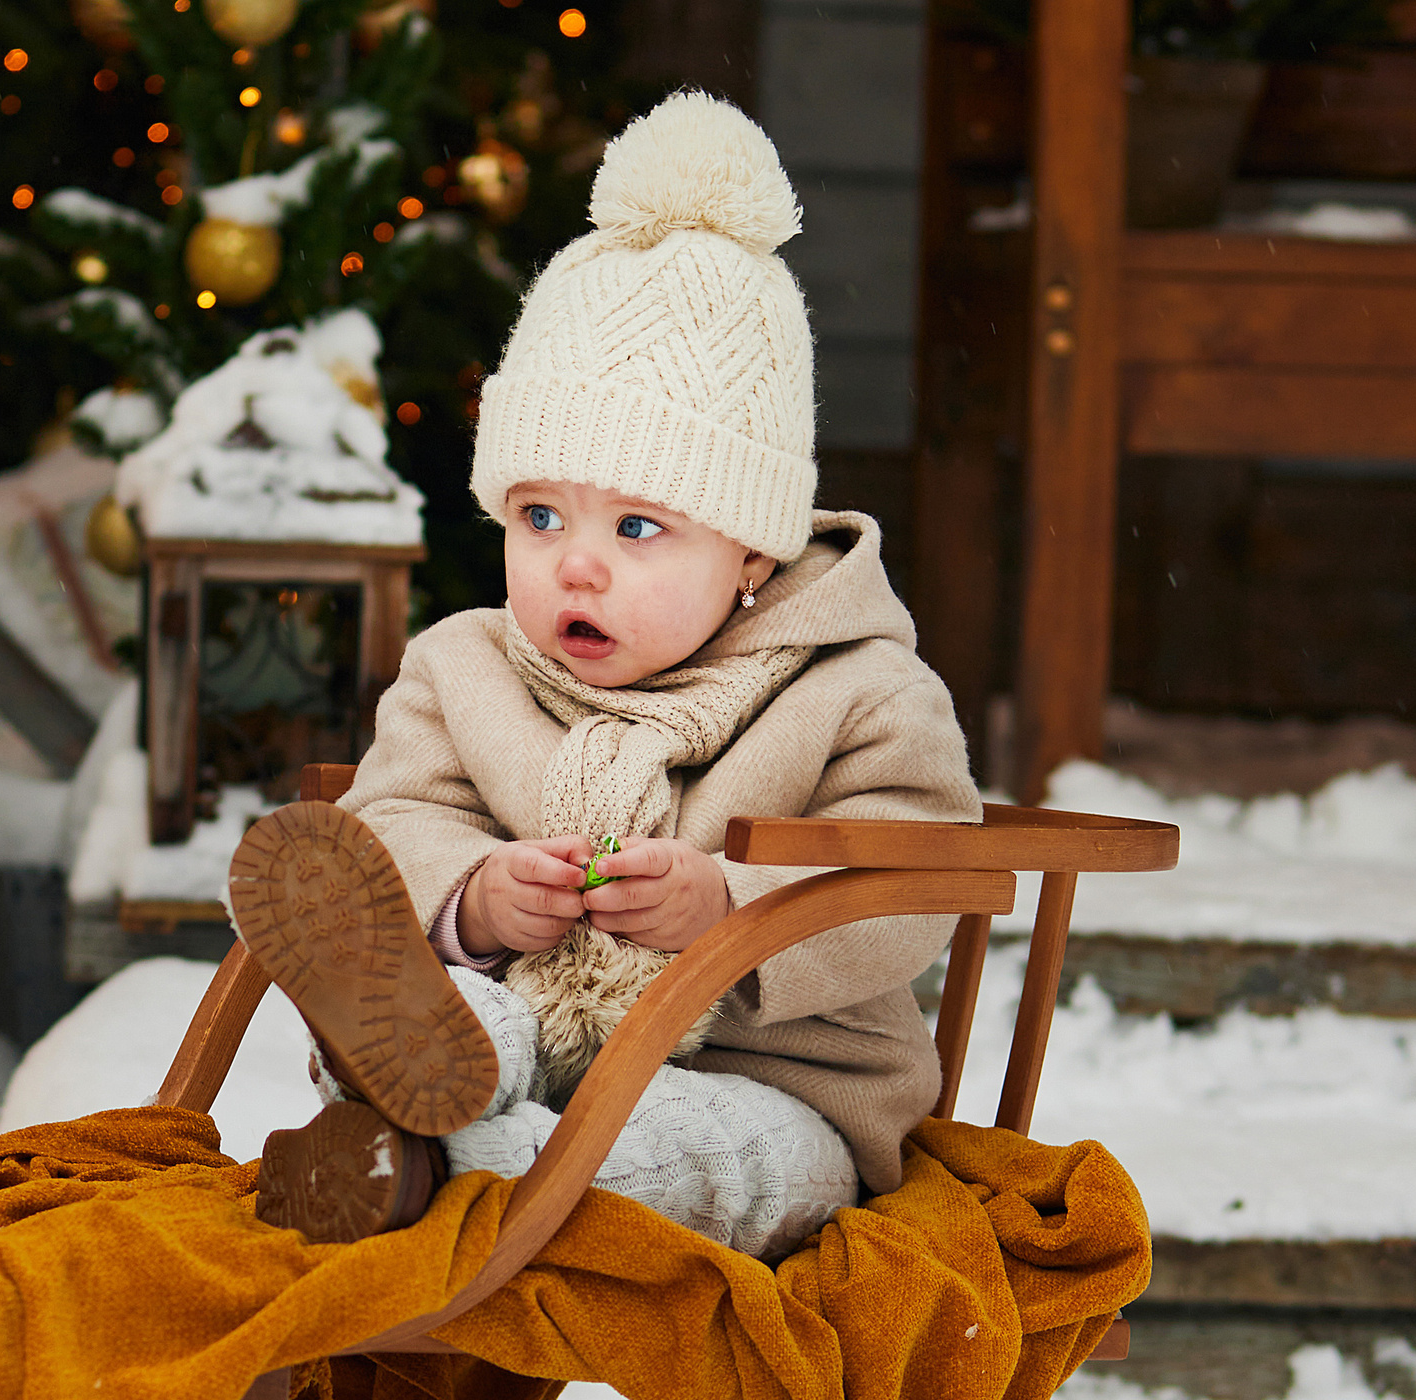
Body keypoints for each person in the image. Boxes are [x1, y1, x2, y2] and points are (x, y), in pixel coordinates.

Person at [225, 90, 981, 1251]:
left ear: (749, 552)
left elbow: (913, 877)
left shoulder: (856, 690)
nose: (574, 567)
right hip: (515, 1038)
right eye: (538, 515)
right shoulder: (463, 665)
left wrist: (722, 909)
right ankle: (415, 1094)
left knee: (680, 1142)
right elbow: (397, 814)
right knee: (454, 1016)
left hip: (776, 1082)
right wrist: (473, 898)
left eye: (637, 528)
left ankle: (444, 1166)